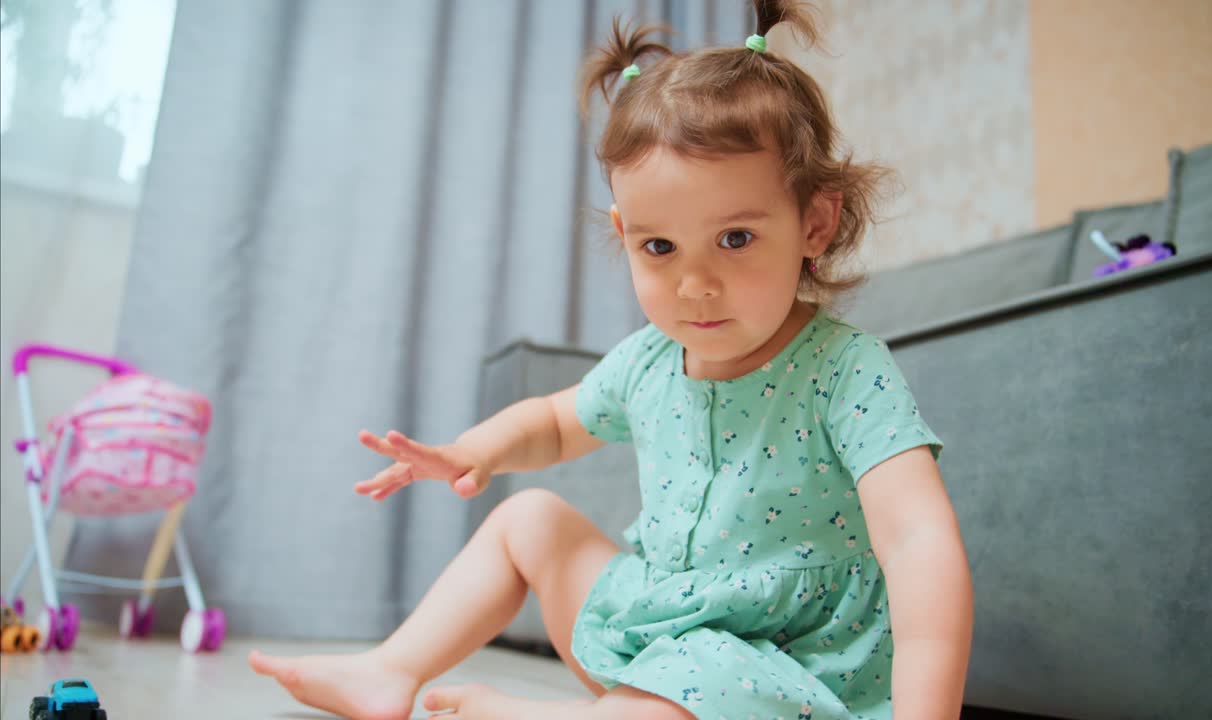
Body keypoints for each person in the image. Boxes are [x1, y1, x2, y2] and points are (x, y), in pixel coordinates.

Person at [249, 1, 972, 718]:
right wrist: (473, 451)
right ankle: (390, 669)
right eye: (660, 247)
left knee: (693, 687)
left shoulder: (845, 370)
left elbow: (916, 540)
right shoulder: (649, 361)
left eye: (735, 239)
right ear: (626, 234)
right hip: (663, 636)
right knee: (526, 516)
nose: (694, 285)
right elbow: (556, 423)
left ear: (814, 222)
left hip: (792, 674)